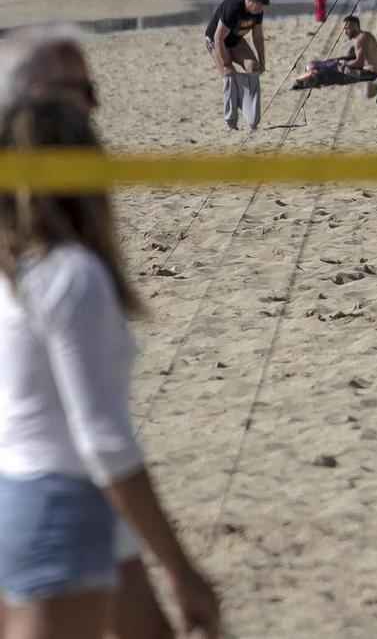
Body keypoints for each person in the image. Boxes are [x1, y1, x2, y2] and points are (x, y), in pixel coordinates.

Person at [0, 87, 222, 639]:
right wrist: (181, 569)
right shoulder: (71, 274)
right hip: (60, 505)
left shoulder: (14, 274)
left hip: (26, 497)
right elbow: (101, 442)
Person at [202, 0, 268, 132]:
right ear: (250, 1)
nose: (260, 11)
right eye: (259, 7)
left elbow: (257, 37)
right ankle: (230, 123)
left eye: (262, 8)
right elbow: (218, 38)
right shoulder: (233, 7)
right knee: (229, 73)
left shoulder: (258, 12)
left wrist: (262, 61)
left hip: (235, 41)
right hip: (215, 40)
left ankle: (252, 117)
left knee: (253, 67)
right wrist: (226, 63)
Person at [295, 16, 377, 88]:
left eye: (347, 29)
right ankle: (306, 77)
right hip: (371, 70)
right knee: (337, 65)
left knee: (331, 73)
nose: (345, 32)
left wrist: (345, 64)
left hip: (370, 73)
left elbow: (359, 63)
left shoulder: (360, 39)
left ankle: (301, 79)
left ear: (355, 27)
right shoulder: (365, 35)